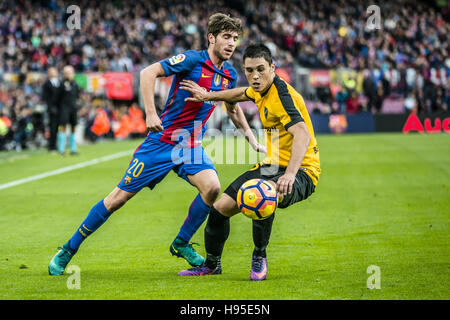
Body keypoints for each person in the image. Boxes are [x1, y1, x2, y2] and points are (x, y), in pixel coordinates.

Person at [48, 13, 264, 275]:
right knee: (117, 199)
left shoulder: (229, 73)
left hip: (190, 145)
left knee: (212, 188)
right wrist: (150, 113)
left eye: (235, 39)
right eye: (226, 37)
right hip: (161, 142)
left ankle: (181, 243)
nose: (232, 43)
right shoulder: (192, 60)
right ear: (211, 38)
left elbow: (232, 107)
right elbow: (148, 72)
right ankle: (68, 249)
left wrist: (252, 139)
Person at [177, 43, 321, 280]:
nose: (255, 76)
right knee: (219, 209)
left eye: (261, 69)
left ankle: (259, 257)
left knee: (263, 193)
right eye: (250, 70)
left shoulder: (282, 96)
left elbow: (303, 135)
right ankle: (211, 265)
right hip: (272, 166)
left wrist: (290, 175)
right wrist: (207, 96)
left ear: (273, 67)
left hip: (303, 171)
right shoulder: (260, 89)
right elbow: (239, 93)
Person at [57, 65, 80, 155]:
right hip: (64, 108)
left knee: (73, 127)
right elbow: (58, 97)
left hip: (73, 108)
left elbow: (77, 96)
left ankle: (73, 149)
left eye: (70, 73)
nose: (68, 75)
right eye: (66, 73)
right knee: (63, 127)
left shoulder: (75, 84)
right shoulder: (62, 84)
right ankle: (61, 149)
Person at [42, 67, 60, 152]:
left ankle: (57, 144)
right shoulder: (47, 84)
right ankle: (51, 145)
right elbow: (45, 97)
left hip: (59, 108)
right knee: (52, 127)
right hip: (51, 109)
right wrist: (50, 107)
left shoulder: (60, 83)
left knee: (57, 128)